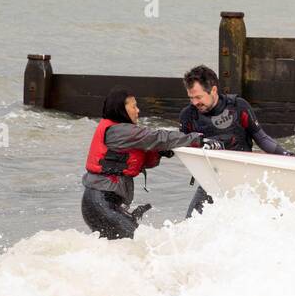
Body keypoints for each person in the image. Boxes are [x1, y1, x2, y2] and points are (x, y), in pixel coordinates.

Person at [81, 86, 216, 240]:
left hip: (99, 204)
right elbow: (157, 136)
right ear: (120, 109)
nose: (138, 110)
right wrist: (197, 139)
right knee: (135, 244)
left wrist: (160, 152)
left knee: (123, 247)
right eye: (133, 106)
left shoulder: (121, 132)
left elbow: (143, 160)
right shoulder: (118, 131)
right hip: (100, 204)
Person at [179, 64, 295, 217]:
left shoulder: (238, 107)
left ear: (213, 90)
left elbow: (262, 138)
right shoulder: (188, 116)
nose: (194, 103)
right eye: (191, 98)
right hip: (210, 182)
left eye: (198, 97)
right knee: (190, 224)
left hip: (245, 180)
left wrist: (288, 156)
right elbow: (182, 146)